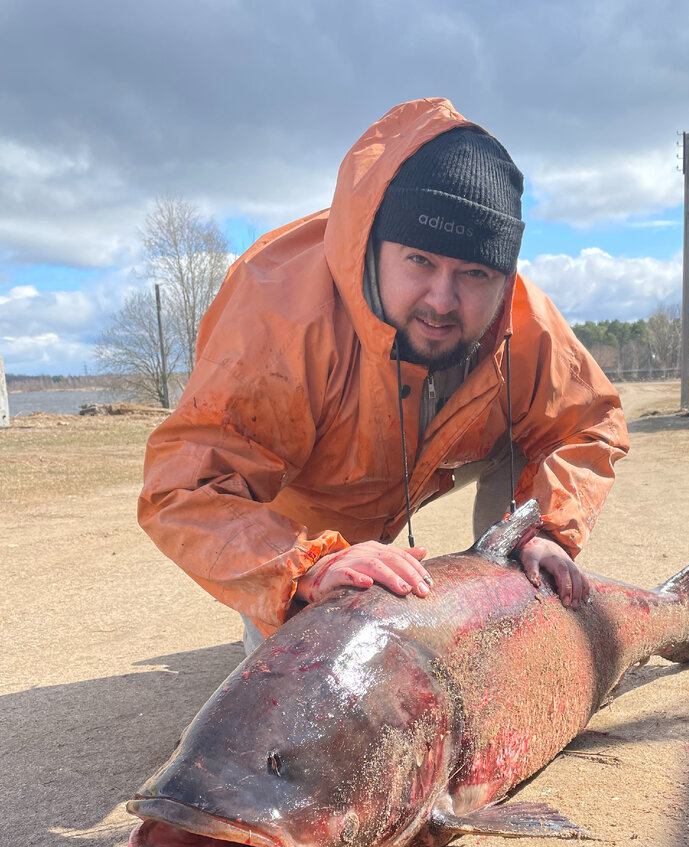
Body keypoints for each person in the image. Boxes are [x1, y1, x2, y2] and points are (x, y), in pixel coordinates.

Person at [138, 99, 629, 654]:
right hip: (306, 512)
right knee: (306, 675)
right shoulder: (278, 314)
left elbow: (588, 424)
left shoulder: (524, 321)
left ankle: (508, 586)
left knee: (532, 476)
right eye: (419, 260)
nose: (442, 301)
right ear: (373, 245)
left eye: (474, 273)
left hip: (428, 465)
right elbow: (183, 486)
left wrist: (547, 529)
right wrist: (307, 568)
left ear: (505, 274)